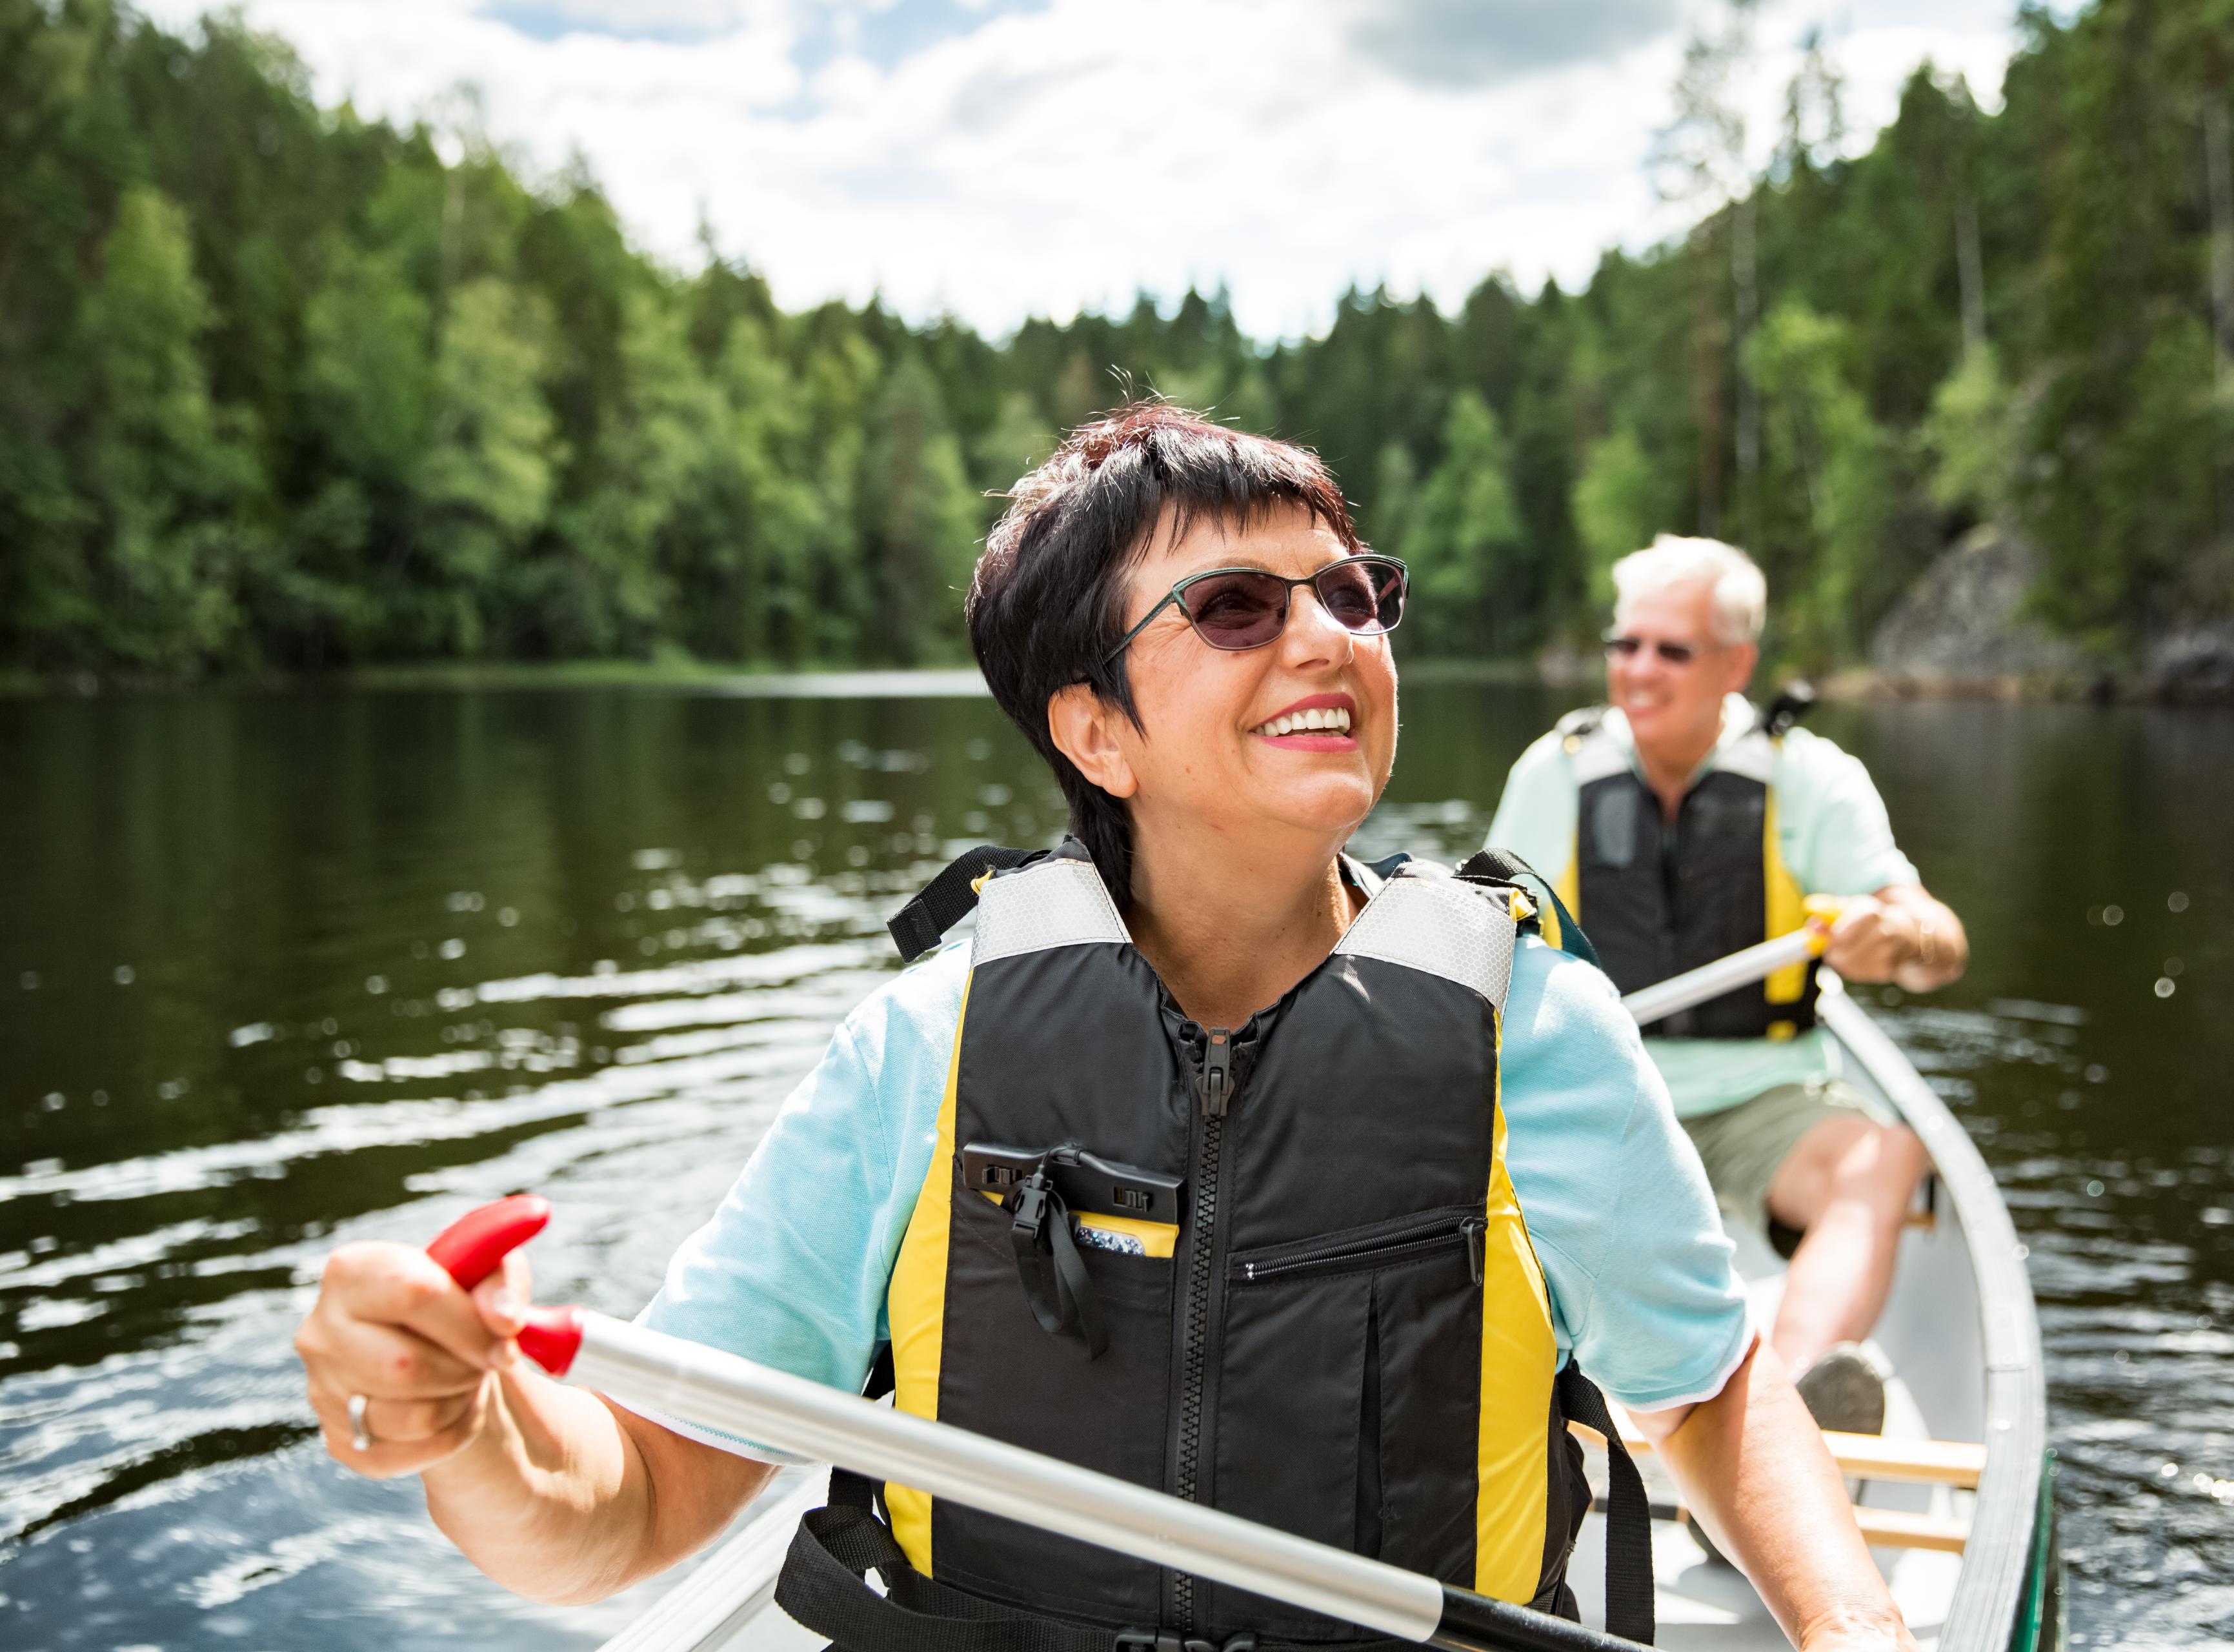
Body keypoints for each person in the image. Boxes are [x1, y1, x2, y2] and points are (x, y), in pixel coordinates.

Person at [293, 410, 1916, 1652]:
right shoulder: (923, 1054)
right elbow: (629, 1504)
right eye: (1232, 604)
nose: (1331, 634)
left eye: (1354, 592)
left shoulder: (1536, 1031)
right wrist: (473, 1423)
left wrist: (1853, 1629)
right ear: (1095, 729)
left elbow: (1704, 1394)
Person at [1487, 535, 1967, 1438]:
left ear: (1737, 663)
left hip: (1760, 1100)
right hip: (1596, 1089)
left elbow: (1940, 942)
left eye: (1672, 650)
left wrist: (1897, 934)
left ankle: (1785, 1418)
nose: (1638, 670)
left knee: (1886, 1160)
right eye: (1625, 645)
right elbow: (1484, 940)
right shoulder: (1555, 774)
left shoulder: (1811, 779)